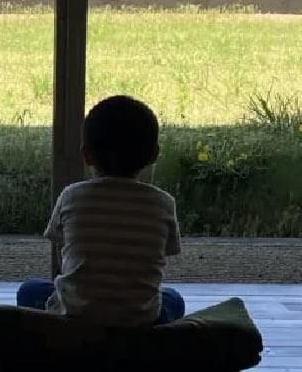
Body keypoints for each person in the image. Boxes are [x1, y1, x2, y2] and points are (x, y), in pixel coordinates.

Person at [16, 95, 184, 326]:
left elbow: (61, 256)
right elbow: (164, 254)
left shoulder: (70, 196)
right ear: (154, 154)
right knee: (173, 299)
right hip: (139, 322)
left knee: (29, 290)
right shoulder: (164, 203)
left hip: (74, 321)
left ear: (87, 155)